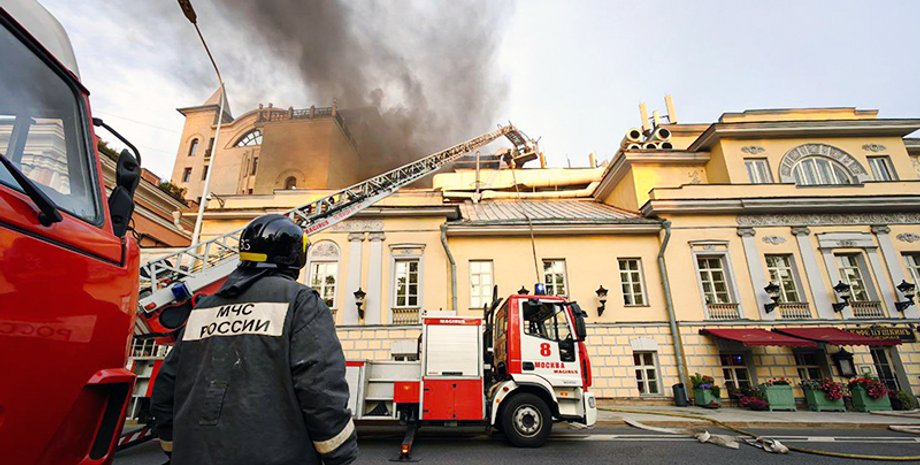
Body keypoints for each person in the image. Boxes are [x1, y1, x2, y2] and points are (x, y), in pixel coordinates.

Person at [151, 214, 358, 465]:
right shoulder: (300, 302)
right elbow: (319, 386)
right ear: (295, 257)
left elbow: (166, 386)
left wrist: (176, 447)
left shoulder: (203, 308)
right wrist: (340, 455)